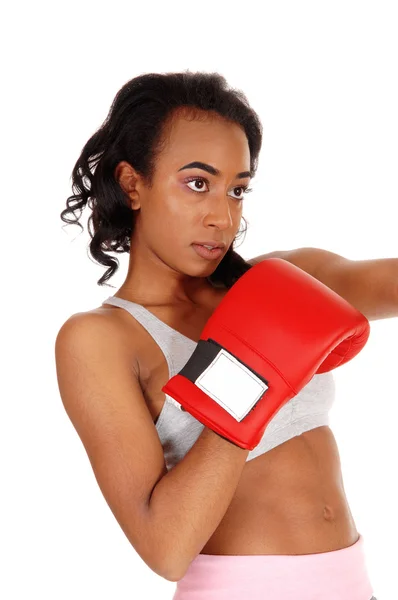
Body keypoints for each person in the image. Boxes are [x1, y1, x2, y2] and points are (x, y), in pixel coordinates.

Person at [55, 71, 378, 599]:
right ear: (133, 184)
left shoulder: (276, 282)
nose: (223, 216)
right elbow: (166, 548)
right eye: (197, 183)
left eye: (237, 190)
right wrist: (247, 378)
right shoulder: (100, 338)